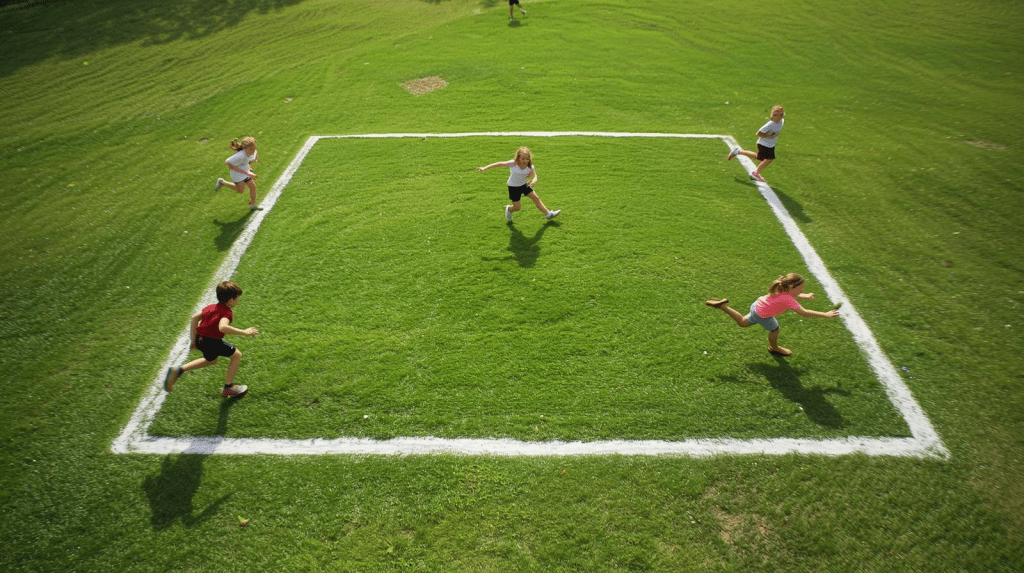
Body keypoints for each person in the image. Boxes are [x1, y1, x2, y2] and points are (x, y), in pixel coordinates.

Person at [705, 273, 838, 356]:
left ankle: (723, 306)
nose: (802, 291)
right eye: (801, 289)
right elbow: (804, 313)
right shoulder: (788, 298)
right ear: (791, 288)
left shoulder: (781, 287)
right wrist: (825, 315)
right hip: (764, 315)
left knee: (742, 323)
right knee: (774, 329)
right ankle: (774, 348)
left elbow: (794, 295)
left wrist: (806, 296)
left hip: (757, 305)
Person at [163, 281, 259, 396]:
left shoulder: (211, 307)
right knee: (237, 355)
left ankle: (179, 370)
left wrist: (193, 340)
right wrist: (244, 332)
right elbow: (223, 327)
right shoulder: (227, 312)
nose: (238, 300)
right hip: (211, 341)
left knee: (212, 360)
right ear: (230, 300)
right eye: (237, 298)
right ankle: (228, 387)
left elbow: (194, 318)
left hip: (200, 339)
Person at [477, 146, 560, 222]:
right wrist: (484, 168)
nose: (525, 161)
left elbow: (535, 176)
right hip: (513, 187)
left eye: (527, 159)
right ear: (518, 158)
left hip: (524, 185)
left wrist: (534, 181)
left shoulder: (530, 166)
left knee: (536, 198)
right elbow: (499, 164)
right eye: (523, 159)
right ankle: (509, 209)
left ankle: (549, 214)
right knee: (517, 208)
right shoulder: (513, 164)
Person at [727, 105, 785, 183]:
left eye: (775, 115)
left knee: (759, 158)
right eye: (772, 114)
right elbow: (759, 133)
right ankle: (755, 173)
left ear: (781, 116)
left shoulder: (781, 122)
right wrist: (769, 135)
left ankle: (737, 151)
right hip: (763, 144)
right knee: (769, 159)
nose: (772, 116)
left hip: (770, 144)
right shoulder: (770, 124)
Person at [215, 136, 263, 211]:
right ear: (245, 148)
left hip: (246, 171)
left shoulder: (251, 151)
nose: (253, 151)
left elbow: (255, 152)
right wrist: (248, 174)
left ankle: (253, 205)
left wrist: (255, 159)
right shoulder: (240, 155)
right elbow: (228, 162)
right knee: (240, 190)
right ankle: (222, 182)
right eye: (251, 149)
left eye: (254, 148)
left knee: (252, 186)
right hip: (237, 174)